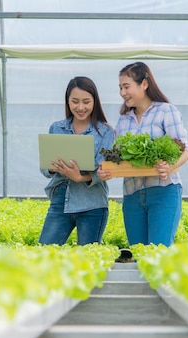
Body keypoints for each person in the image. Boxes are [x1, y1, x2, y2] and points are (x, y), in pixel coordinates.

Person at [98, 61, 188, 246]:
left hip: (163, 191)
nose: (122, 93)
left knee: (159, 252)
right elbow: (117, 156)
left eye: (126, 87)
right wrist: (106, 170)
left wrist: (169, 167)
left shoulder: (166, 111)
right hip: (133, 195)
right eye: (120, 88)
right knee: (139, 254)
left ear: (144, 84)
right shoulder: (124, 120)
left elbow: (186, 149)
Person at [38, 76, 115, 245]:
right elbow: (45, 169)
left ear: (94, 102)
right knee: (45, 250)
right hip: (61, 200)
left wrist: (80, 177)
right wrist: (54, 168)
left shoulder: (106, 132)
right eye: (75, 101)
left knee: (88, 258)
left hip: (92, 203)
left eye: (86, 101)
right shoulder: (57, 128)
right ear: (68, 101)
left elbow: (105, 170)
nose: (81, 107)